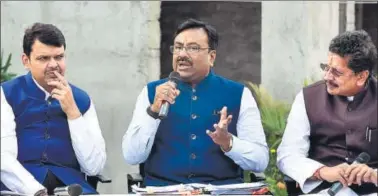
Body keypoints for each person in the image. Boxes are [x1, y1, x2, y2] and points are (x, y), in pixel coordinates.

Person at [122, 18, 269, 186]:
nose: (182, 54)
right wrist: (153, 111)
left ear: (211, 57)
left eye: (193, 48)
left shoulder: (239, 94)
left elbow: (260, 161)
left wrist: (228, 143)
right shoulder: (151, 92)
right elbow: (131, 156)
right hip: (164, 190)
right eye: (178, 48)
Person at [1, 23, 106, 195]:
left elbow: (94, 167)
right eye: (44, 58)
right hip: (20, 189)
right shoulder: (6, 94)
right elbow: (3, 157)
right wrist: (36, 191)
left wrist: (73, 113)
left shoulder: (82, 99)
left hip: (72, 189)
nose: (53, 65)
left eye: (59, 57)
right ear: (26, 61)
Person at [277, 29, 377, 196]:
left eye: (336, 72)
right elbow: (287, 155)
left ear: (361, 77)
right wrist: (324, 172)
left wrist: (373, 175)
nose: (327, 76)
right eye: (326, 67)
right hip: (324, 190)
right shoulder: (308, 97)